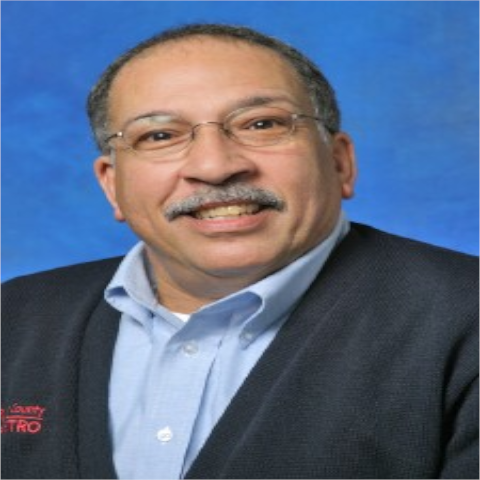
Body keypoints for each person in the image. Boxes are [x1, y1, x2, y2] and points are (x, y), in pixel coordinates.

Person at [2, 23, 478, 480]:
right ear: (112, 186)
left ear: (339, 163)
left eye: (261, 124)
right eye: (160, 135)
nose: (214, 167)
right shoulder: (14, 317)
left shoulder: (465, 320)